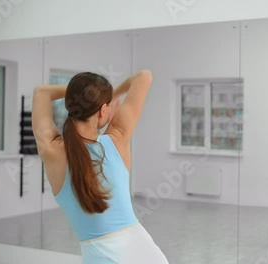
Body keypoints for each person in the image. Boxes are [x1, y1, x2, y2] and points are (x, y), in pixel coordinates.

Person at [32, 71, 169, 263]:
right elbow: (144, 76)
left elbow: (41, 92)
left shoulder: (51, 150)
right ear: (104, 110)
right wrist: (107, 94)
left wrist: (80, 94)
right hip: (143, 251)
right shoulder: (117, 138)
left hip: (98, 256)